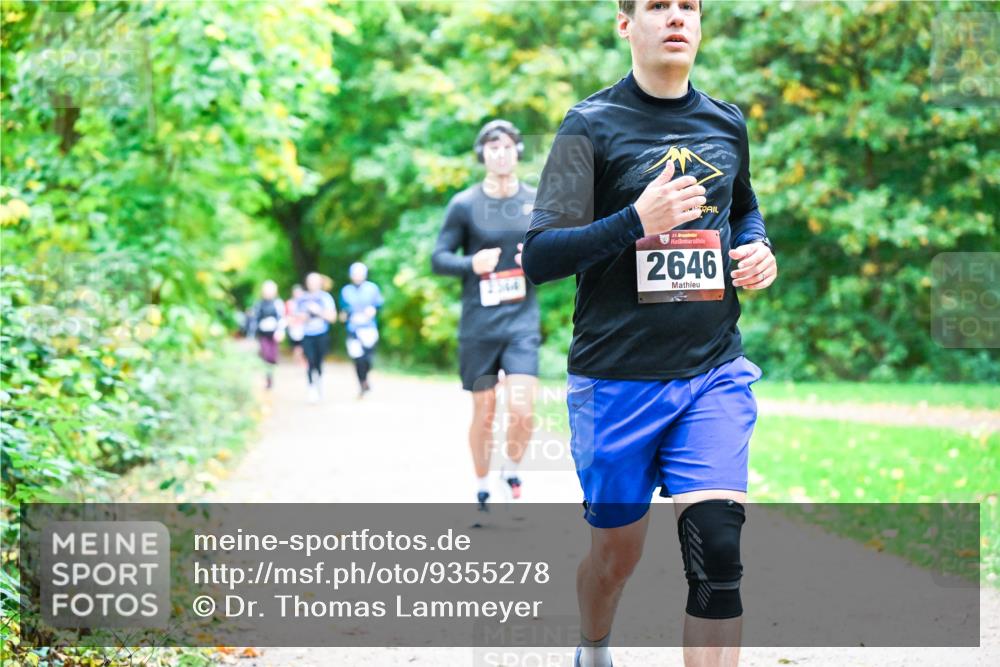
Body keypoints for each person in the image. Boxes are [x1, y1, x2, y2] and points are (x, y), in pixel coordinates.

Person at [521, 2, 778, 666]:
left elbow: (744, 207)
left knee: (718, 552)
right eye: (658, 6)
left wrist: (757, 247)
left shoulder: (725, 121)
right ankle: (593, 646)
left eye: (688, 6)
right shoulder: (588, 126)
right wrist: (636, 219)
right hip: (616, 381)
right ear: (624, 23)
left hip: (712, 370)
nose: (675, 18)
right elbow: (539, 256)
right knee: (615, 555)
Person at [431, 119, 541, 515]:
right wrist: (471, 264)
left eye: (507, 146)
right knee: (485, 410)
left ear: (517, 152)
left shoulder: (536, 201)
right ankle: (482, 486)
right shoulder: (464, 204)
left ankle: (510, 472)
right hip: (479, 325)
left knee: (523, 409)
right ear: (483, 155)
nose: (501, 154)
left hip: (521, 322)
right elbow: (438, 258)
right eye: (493, 148)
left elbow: (558, 250)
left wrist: (538, 259)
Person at [339, 262, 384, 398]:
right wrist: (344, 315)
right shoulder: (346, 290)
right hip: (353, 329)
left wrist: (373, 310)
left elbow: (379, 305)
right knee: (357, 358)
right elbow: (343, 309)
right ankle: (362, 383)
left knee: (368, 358)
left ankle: (365, 377)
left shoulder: (372, 288)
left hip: (368, 328)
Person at [295, 272, 337, 403]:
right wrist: (305, 316)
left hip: (321, 334)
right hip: (307, 335)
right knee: (310, 361)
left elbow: (332, 318)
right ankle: (311, 387)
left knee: (319, 361)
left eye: (315, 281)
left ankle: (319, 383)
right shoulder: (302, 298)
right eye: (310, 281)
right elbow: (296, 318)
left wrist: (318, 311)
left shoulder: (326, 298)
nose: (312, 284)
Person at [248, 280, 287, 390]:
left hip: (274, 333)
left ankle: (270, 375)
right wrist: (251, 335)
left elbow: (282, 318)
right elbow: (254, 319)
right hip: (263, 334)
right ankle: (267, 377)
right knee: (266, 355)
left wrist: (280, 331)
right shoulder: (258, 304)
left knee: (273, 357)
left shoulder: (278, 303)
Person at [286, 284, 306, 366]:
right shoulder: (290, 303)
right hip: (294, 327)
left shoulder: (305, 302)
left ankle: (300, 359)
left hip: (303, 326)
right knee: (297, 345)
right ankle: (298, 360)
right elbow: (287, 315)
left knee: (302, 344)